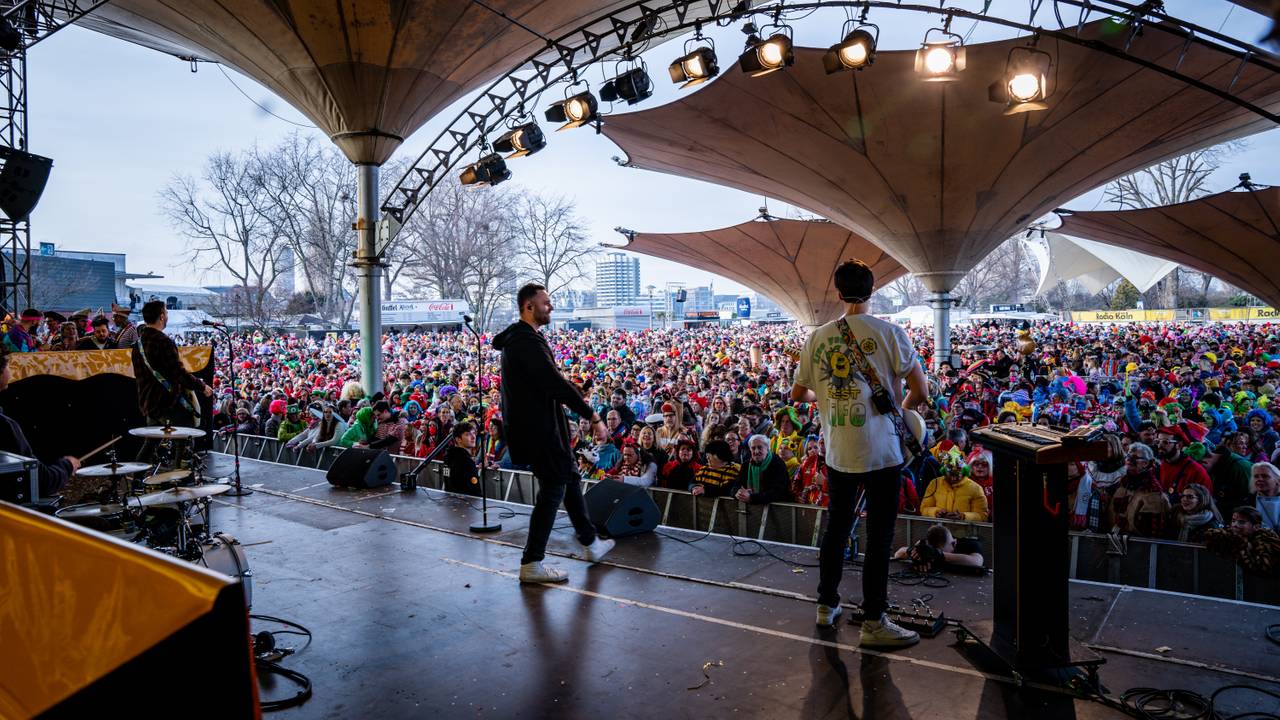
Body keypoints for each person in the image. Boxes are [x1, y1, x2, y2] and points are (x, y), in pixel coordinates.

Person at [791, 259, 928, 647]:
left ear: (838, 293)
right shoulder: (890, 333)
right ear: (872, 290)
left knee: (837, 529)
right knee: (879, 537)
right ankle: (873, 621)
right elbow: (921, 392)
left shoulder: (817, 337)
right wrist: (900, 408)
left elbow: (799, 394)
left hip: (838, 451)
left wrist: (827, 396)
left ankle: (826, 604)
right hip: (883, 452)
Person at [492, 283, 613, 584]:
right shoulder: (525, 342)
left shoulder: (522, 339)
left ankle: (590, 542)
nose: (551, 307)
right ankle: (532, 562)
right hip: (540, 430)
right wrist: (592, 415)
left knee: (569, 477)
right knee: (553, 489)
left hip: (542, 428)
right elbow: (554, 383)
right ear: (528, 306)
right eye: (546, 303)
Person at [0, 350, 80, 498]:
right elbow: (42, 481)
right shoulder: (5, 426)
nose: (9, 371)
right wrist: (68, 465)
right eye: (7, 366)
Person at [131, 301, 212, 427]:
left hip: (148, 404)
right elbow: (178, 373)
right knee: (181, 437)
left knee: (152, 439)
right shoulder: (164, 341)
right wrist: (202, 386)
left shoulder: (137, 345)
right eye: (166, 313)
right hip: (167, 404)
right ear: (162, 316)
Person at [1203, 506, 1280, 576]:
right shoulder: (1229, 534)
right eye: (1233, 521)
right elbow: (1209, 536)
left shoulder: (1267, 541)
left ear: (1256, 526)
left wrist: (1243, 545)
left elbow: (1262, 568)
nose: (1235, 525)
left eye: (1241, 522)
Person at [920, 450, 990, 522]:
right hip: (938, 528)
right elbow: (924, 509)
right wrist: (936, 512)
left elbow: (982, 516)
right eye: (950, 474)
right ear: (944, 471)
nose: (953, 479)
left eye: (957, 475)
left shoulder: (975, 488)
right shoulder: (934, 484)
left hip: (963, 529)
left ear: (964, 471)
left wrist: (963, 516)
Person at [892, 524, 984, 573]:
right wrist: (913, 552)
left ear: (954, 544)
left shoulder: (971, 544)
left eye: (941, 550)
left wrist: (938, 554)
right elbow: (898, 554)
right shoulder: (927, 545)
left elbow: (977, 562)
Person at [733, 434, 792, 505]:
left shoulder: (777, 463)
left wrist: (752, 497)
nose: (756, 451)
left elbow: (778, 492)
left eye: (760, 447)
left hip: (776, 509)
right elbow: (735, 486)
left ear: (767, 448)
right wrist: (738, 493)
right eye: (753, 448)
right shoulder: (746, 465)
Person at [444, 421, 482, 496]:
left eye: (474, 433)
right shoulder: (465, 460)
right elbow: (474, 490)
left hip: (450, 499)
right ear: (458, 439)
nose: (473, 437)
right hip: (466, 501)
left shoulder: (449, 456)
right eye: (468, 434)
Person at [1251, 461, 1280, 530]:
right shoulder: (1246, 502)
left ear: (1278, 481)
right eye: (1256, 476)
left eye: (1265, 476)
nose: (1260, 479)